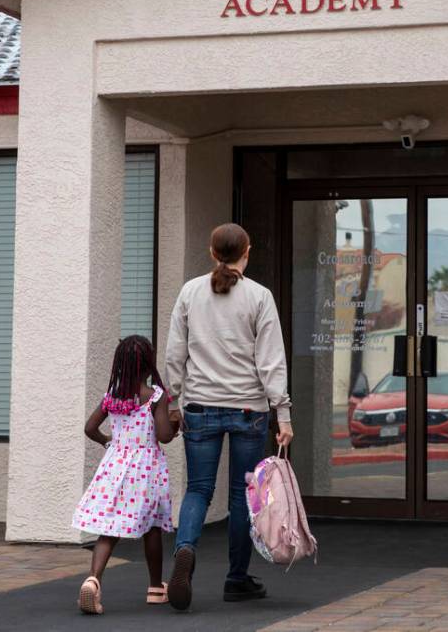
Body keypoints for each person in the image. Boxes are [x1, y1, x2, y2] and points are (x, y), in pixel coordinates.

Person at [165, 222, 295, 612]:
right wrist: (283, 414)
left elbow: (175, 353)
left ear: (211, 252)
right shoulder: (259, 296)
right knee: (242, 495)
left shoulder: (190, 292)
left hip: (199, 408)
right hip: (248, 410)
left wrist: (175, 401)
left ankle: (185, 550)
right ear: (247, 251)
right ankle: (237, 579)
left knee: (199, 490)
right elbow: (271, 361)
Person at [72, 335, 178, 614]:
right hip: (145, 469)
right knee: (152, 526)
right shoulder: (155, 396)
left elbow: (89, 427)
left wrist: (110, 442)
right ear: (148, 365)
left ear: (120, 364)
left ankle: (94, 580)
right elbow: (164, 436)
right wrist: (177, 421)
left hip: (114, 466)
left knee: (109, 528)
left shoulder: (113, 395)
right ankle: (156, 588)